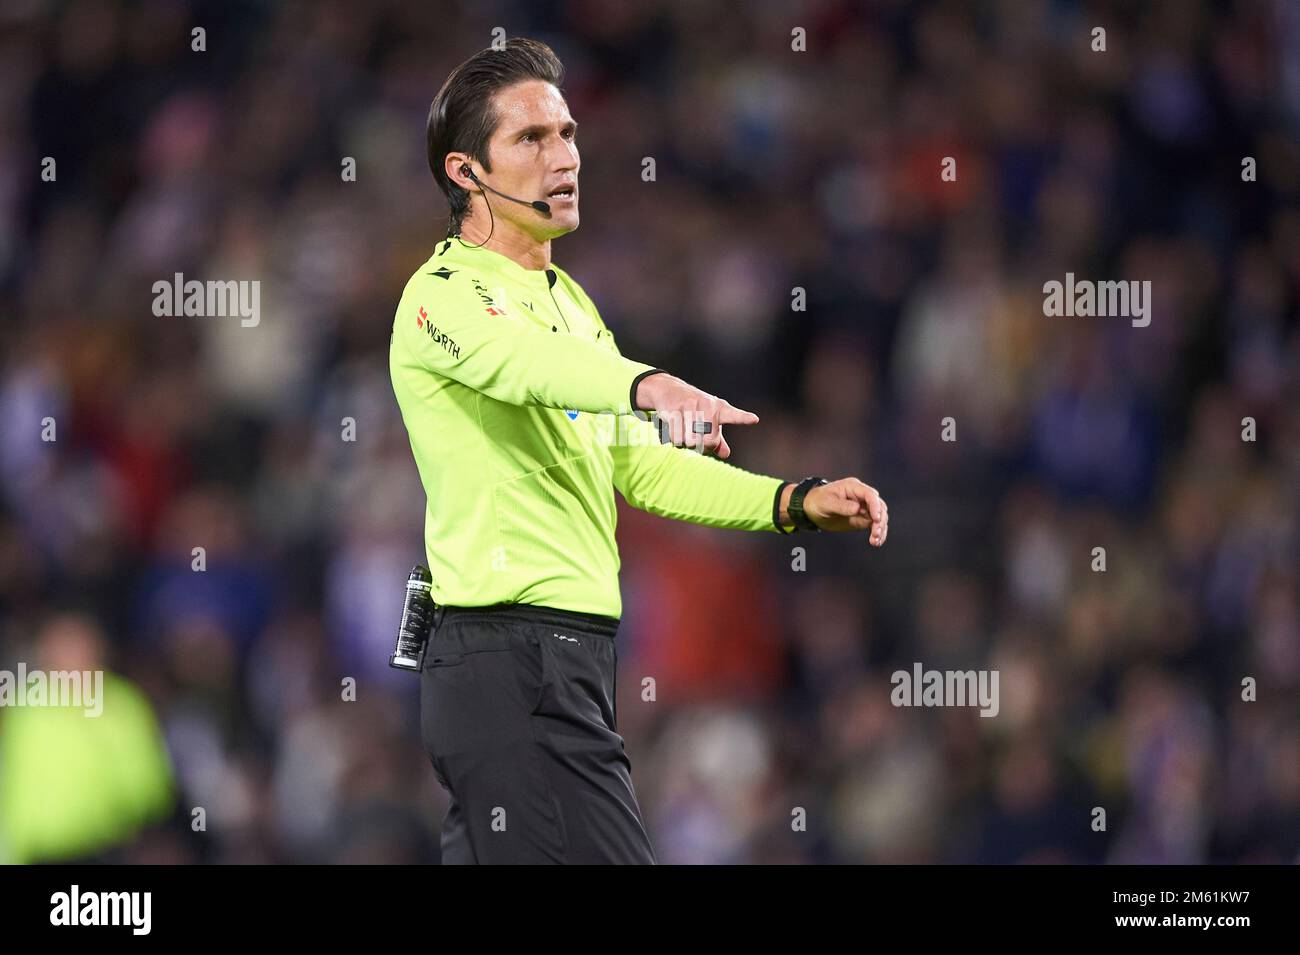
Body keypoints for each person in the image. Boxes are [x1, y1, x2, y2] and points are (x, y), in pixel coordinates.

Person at [389, 37, 889, 864]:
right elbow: (527, 365)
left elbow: (641, 467)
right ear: (464, 172)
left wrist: (789, 501)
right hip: (506, 660)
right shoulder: (440, 296)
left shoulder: (572, 303)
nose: (565, 158)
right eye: (532, 139)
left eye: (569, 134)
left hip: (561, 663)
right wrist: (648, 384)